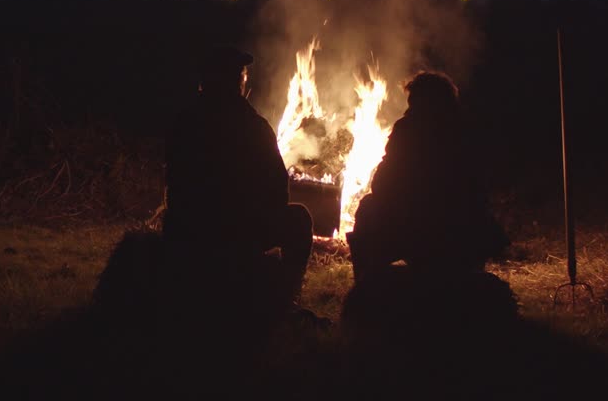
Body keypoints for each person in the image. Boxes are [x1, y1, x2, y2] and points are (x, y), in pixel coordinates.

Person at [162, 45, 314, 315]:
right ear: (237, 81)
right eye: (240, 74)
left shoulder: (184, 120)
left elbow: (175, 178)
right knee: (299, 218)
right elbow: (278, 187)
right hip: (239, 230)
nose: (244, 79)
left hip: (187, 225)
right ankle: (286, 298)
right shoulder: (252, 126)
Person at [346, 71, 508, 283]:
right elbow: (481, 188)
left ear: (422, 101)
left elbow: (383, 184)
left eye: (413, 101)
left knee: (368, 206)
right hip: (463, 232)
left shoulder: (408, 129)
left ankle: (366, 288)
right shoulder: (468, 130)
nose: (409, 107)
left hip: (416, 230)